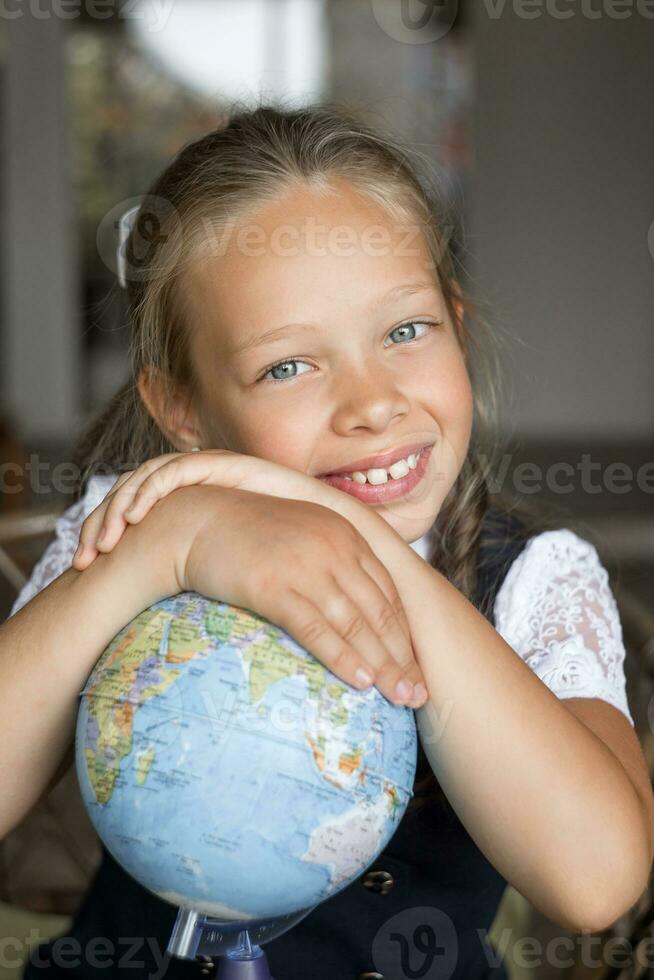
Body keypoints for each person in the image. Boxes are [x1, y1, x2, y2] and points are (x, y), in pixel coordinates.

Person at [1, 101, 651, 980]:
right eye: (289, 366)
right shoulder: (138, 527)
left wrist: (362, 544)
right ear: (183, 409)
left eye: (406, 331)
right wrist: (170, 545)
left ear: (456, 321)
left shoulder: (532, 578)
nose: (373, 403)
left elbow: (596, 878)